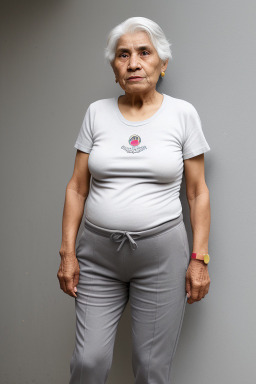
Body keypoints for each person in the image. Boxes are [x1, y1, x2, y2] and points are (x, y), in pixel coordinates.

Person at [57, 16, 211, 384]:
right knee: (88, 361)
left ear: (163, 63)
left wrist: (199, 259)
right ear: (114, 70)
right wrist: (67, 252)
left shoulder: (182, 114)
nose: (134, 63)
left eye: (144, 52)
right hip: (97, 256)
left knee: (150, 367)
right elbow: (77, 187)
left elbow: (197, 192)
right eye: (123, 55)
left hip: (161, 256)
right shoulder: (97, 113)